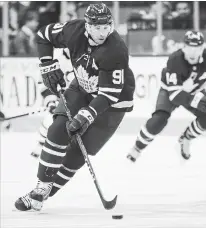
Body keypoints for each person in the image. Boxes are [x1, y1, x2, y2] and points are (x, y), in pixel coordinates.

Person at [15, 3, 135, 211]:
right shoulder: (74, 29)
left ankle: (41, 196)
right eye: (97, 27)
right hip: (81, 87)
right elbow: (43, 35)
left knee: (77, 154)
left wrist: (86, 115)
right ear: (87, 25)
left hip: (114, 103)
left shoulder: (116, 50)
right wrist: (46, 64)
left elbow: (108, 95)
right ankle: (41, 187)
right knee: (57, 129)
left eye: (106, 26)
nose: (102, 32)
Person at [127, 31, 206, 162]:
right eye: (189, 48)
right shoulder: (175, 60)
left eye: (197, 49)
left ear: (203, 48)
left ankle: (186, 139)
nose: (192, 53)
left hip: (196, 90)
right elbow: (175, 95)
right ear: (183, 47)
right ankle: (137, 148)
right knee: (159, 120)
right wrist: (197, 100)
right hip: (170, 91)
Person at [31, 48, 74, 158]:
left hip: (79, 99)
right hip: (61, 98)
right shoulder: (55, 57)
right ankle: (42, 144)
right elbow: (44, 83)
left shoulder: (86, 56)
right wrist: (51, 101)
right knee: (52, 118)